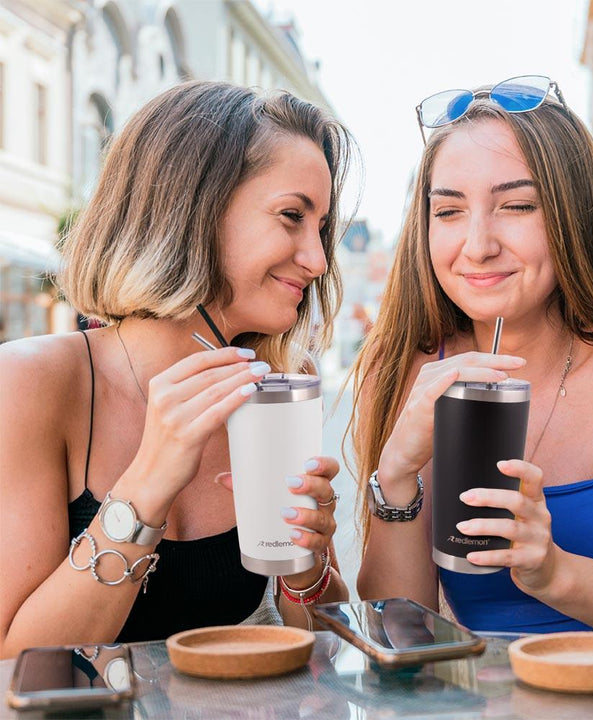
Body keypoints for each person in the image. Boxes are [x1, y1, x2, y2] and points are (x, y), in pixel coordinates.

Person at [351, 76, 593, 649]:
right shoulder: (405, 373)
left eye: (516, 206)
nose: (477, 245)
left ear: (574, 217)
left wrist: (558, 576)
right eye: (448, 211)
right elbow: (403, 636)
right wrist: (395, 477)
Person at [0, 81, 355, 657]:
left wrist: (305, 566)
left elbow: (322, 647)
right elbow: (14, 663)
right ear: (191, 209)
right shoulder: (33, 384)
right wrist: (146, 488)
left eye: (320, 228)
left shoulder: (280, 377)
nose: (317, 259)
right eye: (292, 216)